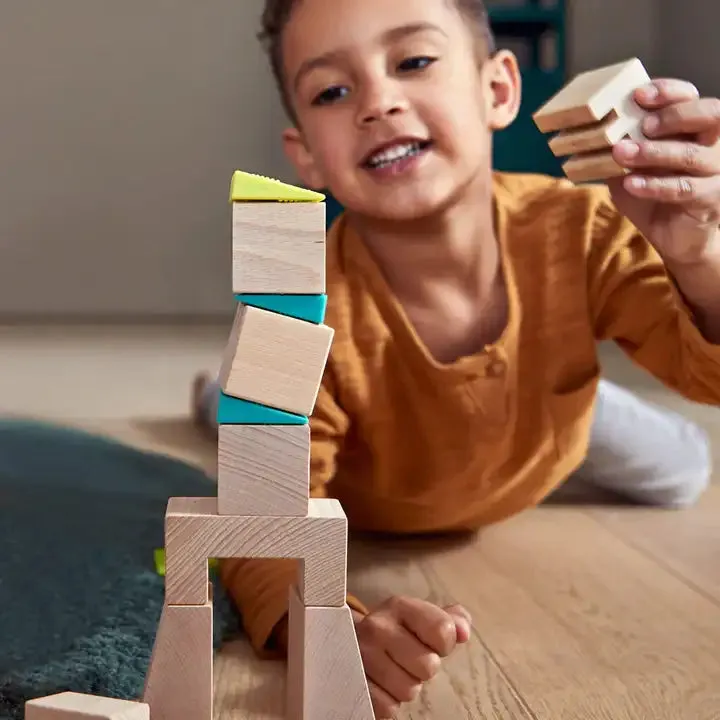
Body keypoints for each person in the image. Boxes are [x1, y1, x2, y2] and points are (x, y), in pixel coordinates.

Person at [193, 0, 720, 716]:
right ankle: (220, 393)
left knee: (686, 469)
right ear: (306, 156)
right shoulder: (302, 304)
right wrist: (326, 625)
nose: (378, 102)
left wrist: (701, 261)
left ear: (498, 90)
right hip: (377, 469)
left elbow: (704, 369)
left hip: (544, 429)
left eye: (413, 61)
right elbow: (261, 528)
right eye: (332, 92)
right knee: (245, 420)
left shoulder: (579, 225)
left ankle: (567, 398)